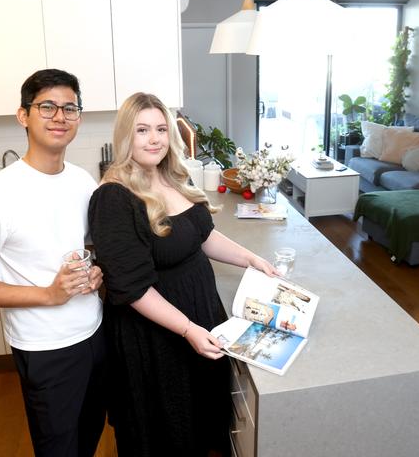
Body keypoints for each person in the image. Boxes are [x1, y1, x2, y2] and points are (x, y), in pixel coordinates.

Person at [88, 92, 278, 456]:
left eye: (161, 128)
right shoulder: (113, 197)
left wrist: (249, 259)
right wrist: (188, 329)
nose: (155, 138)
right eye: (142, 130)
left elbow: (200, 235)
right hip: (157, 336)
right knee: (167, 432)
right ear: (125, 135)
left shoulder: (169, 175)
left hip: (196, 314)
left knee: (200, 422)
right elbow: (133, 288)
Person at [0, 69, 106, 457]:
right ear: (23, 116)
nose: (60, 117)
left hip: (96, 333)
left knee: (90, 434)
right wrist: (49, 295)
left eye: (70, 108)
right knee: (58, 448)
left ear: (79, 118)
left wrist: (97, 272)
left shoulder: (82, 181)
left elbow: (86, 246)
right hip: (45, 348)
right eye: (47, 106)